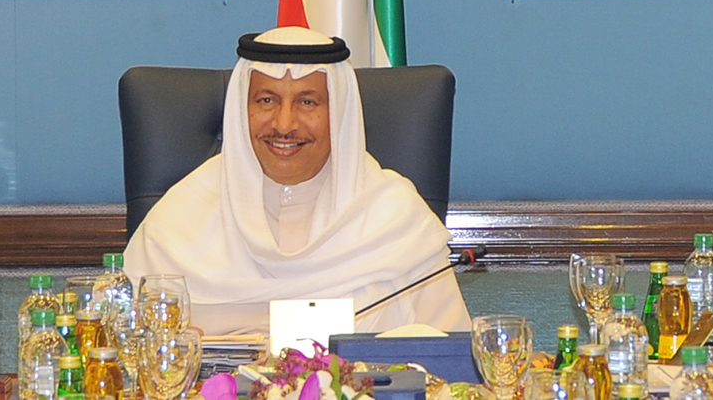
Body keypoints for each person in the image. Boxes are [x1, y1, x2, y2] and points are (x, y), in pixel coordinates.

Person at [123, 27, 472, 336]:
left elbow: (450, 357)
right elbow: (135, 355)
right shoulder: (178, 220)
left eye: (307, 102)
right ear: (240, 110)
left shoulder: (396, 218)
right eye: (266, 100)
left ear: (337, 113)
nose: (285, 124)